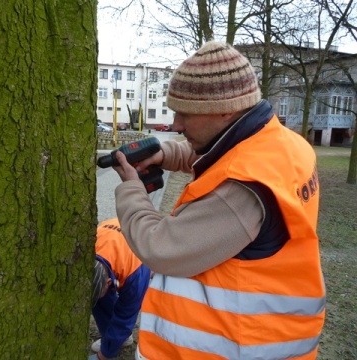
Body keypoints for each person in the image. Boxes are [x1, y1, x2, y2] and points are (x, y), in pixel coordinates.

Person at [111, 41, 326, 359]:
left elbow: (161, 248)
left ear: (226, 109)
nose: (177, 125)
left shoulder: (243, 191)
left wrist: (131, 190)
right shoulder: (285, 145)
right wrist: (165, 153)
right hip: (263, 335)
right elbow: (222, 155)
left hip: (236, 345)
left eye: (185, 114)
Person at [89, 218, 151, 360]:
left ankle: (120, 340)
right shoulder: (87, 254)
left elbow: (126, 315)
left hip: (145, 243)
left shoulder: (135, 275)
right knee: (99, 299)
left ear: (109, 282)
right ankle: (111, 339)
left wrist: (103, 356)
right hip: (117, 234)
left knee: (125, 311)